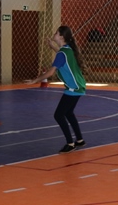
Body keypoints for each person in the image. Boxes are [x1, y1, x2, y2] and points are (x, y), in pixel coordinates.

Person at [25, 26, 87, 154]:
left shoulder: (62, 53)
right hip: (79, 86)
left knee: (58, 115)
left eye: (56, 33)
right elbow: (61, 54)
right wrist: (52, 46)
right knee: (68, 113)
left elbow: (50, 72)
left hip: (73, 88)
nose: (54, 34)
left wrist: (35, 80)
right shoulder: (68, 49)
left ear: (61, 37)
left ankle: (70, 144)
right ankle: (80, 140)